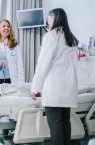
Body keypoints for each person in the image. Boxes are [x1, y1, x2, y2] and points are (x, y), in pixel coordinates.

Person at [31, 8, 79, 145]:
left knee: (56, 125)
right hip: (68, 89)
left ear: (55, 18)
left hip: (54, 90)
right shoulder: (71, 38)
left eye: (49, 18)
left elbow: (43, 64)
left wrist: (35, 88)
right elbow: (75, 67)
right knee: (65, 123)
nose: (47, 21)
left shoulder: (51, 36)